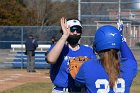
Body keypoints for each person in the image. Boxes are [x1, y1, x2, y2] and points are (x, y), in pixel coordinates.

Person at [74, 25, 138, 93]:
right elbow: (130, 58)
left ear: (96, 45)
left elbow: (78, 83)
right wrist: (121, 38)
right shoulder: (129, 66)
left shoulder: (87, 66)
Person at [46, 17, 97, 93]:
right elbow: (51, 59)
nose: (75, 33)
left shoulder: (88, 51)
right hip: (62, 90)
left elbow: (94, 72)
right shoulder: (59, 48)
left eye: (78, 30)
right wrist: (65, 36)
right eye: (72, 29)